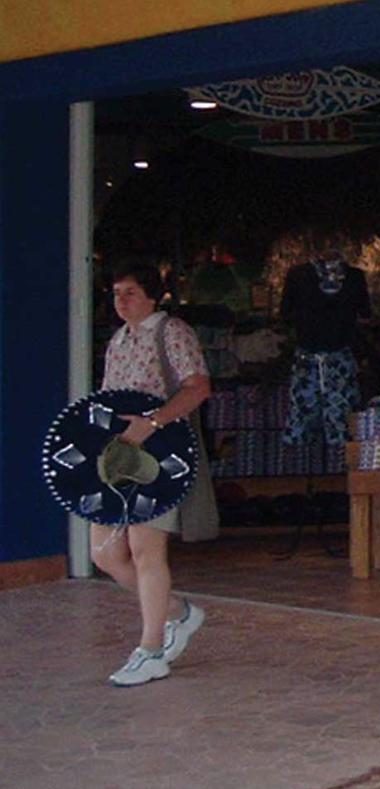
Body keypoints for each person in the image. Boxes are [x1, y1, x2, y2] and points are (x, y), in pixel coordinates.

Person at [93, 260, 213, 686]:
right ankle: (178, 612)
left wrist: (155, 421)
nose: (120, 301)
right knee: (105, 553)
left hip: (159, 454)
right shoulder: (119, 340)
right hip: (119, 454)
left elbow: (198, 386)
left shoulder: (172, 332)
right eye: (115, 293)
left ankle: (151, 648)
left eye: (129, 292)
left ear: (150, 295)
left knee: (146, 550)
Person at [279, 234, 369, 456]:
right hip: (327, 358)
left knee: (308, 418)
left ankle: (310, 467)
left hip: (319, 357)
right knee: (338, 420)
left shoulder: (298, 275)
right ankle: (328, 467)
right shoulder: (354, 277)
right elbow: (366, 314)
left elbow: (284, 313)